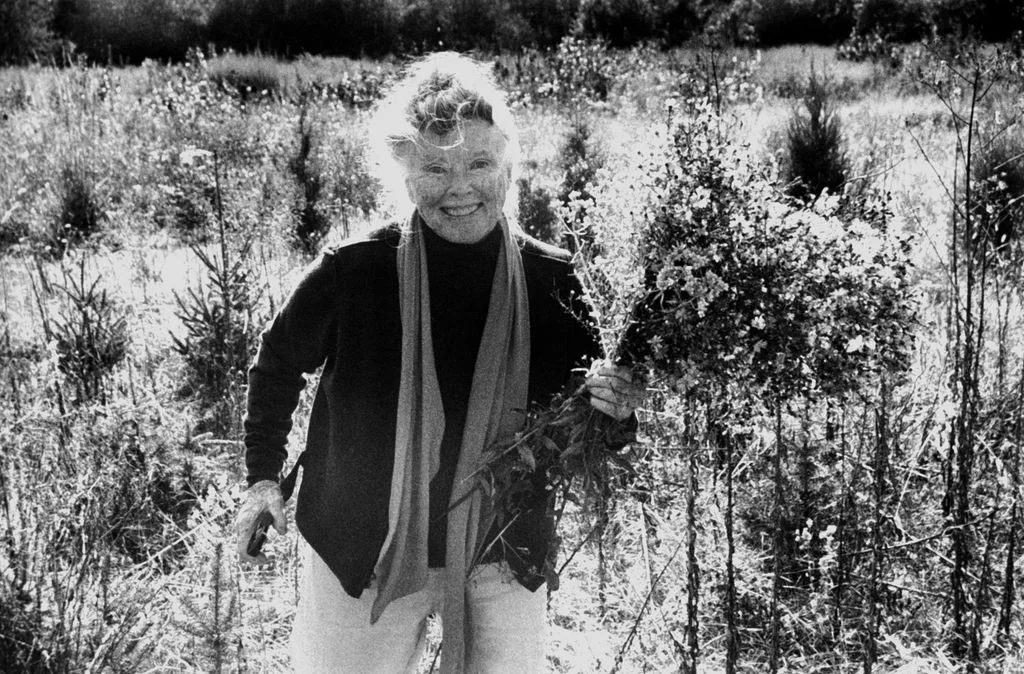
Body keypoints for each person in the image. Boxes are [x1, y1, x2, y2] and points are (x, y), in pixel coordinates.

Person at [234, 51, 639, 673]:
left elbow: (588, 425)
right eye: (435, 168)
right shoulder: (355, 271)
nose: (461, 188)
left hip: (501, 551)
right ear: (402, 172)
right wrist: (263, 477)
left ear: (509, 164)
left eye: (480, 162)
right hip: (361, 547)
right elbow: (277, 363)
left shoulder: (551, 280)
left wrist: (614, 411)